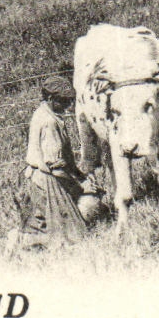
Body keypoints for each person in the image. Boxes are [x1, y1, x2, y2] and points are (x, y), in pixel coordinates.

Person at [16, 76, 98, 244]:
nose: (69, 106)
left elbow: (65, 162)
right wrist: (80, 186)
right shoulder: (50, 123)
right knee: (74, 234)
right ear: (51, 99)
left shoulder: (43, 113)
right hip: (47, 181)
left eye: (70, 101)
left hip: (37, 179)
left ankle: (29, 236)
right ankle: (24, 240)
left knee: (49, 224)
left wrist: (80, 175)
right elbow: (56, 169)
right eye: (64, 101)